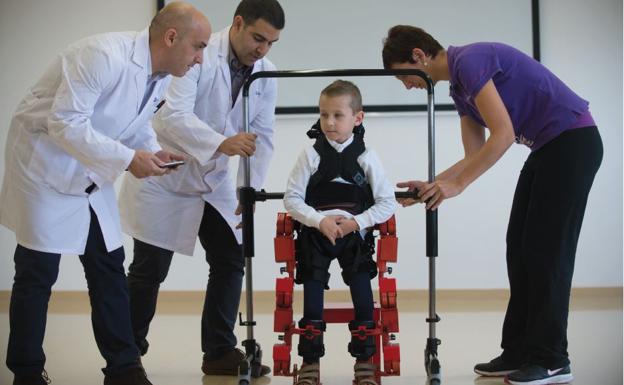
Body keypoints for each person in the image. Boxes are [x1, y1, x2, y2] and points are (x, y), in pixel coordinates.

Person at [0, 3, 211, 385]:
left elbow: (135, 123)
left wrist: (150, 150)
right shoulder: (99, 56)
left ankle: (124, 367)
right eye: (198, 47)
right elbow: (65, 123)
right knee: (37, 273)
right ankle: (26, 372)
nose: (200, 59)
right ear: (170, 37)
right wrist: (131, 159)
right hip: (45, 168)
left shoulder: (161, 74)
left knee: (108, 266)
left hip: (91, 172)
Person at [382, 25, 603, 385]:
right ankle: (518, 351)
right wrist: (434, 185)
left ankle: (552, 359)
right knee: (518, 248)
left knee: (546, 253)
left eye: (403, 76)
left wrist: (456, 186)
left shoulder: (469, 60)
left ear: (419, 56)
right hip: (549, 147)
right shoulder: (459, 88)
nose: (406, 86)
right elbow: (474, 153)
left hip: (573, 142)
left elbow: (502, 135)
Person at [117, 0, 284, 378]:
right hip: (168, 175)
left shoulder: (266, 71)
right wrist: (220, 143)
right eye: (258, 38)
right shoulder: (198, 54)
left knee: (229, 258)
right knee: (149, 269)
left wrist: (250, 188)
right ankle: (126, 356)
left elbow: (264, 135)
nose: (263, 49)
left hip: (215, 181)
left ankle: (220, 351)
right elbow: (170, 116)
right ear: (238, 24)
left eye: (271, 43)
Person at [283, 80, 397, 385]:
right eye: (323, 115)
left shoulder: (367, 157)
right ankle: (309, 362)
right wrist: (318, 221)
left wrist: (355, 223)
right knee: (312, 292)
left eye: (337, 115)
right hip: (316, 235)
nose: (329, 122)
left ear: (357, 118)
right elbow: (292, 199)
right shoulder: (310, 155)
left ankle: (364, 362)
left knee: (362, 291)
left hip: (353, 236)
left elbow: (388, 203)